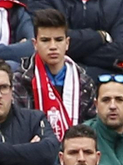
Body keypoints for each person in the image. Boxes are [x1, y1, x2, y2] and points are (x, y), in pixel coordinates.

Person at [12, 8, 95, 141]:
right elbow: (17, 124)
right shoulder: (21, 79)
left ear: (67, 43)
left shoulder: (84, 82)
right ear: (35, 44)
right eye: (45, 40)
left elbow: (91, 127)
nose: (53, 46)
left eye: (58, 40)